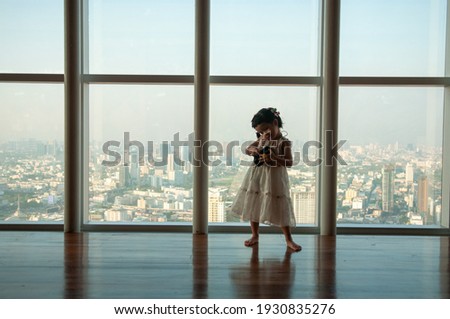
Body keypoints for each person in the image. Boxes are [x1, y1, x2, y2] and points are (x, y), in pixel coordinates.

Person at [231, 107, 301, 252]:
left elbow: (289, 162)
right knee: (254, 202)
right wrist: (254, 150)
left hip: (274, 177)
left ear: (275, 123)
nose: (263, 134)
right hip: (257, 174)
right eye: (260, 132)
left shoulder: (284, 142)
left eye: (266, 130)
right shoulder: (261, 139)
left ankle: (288, 239)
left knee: (280, 204)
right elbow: (247, 149)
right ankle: (255, 234)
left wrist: (274, 157)